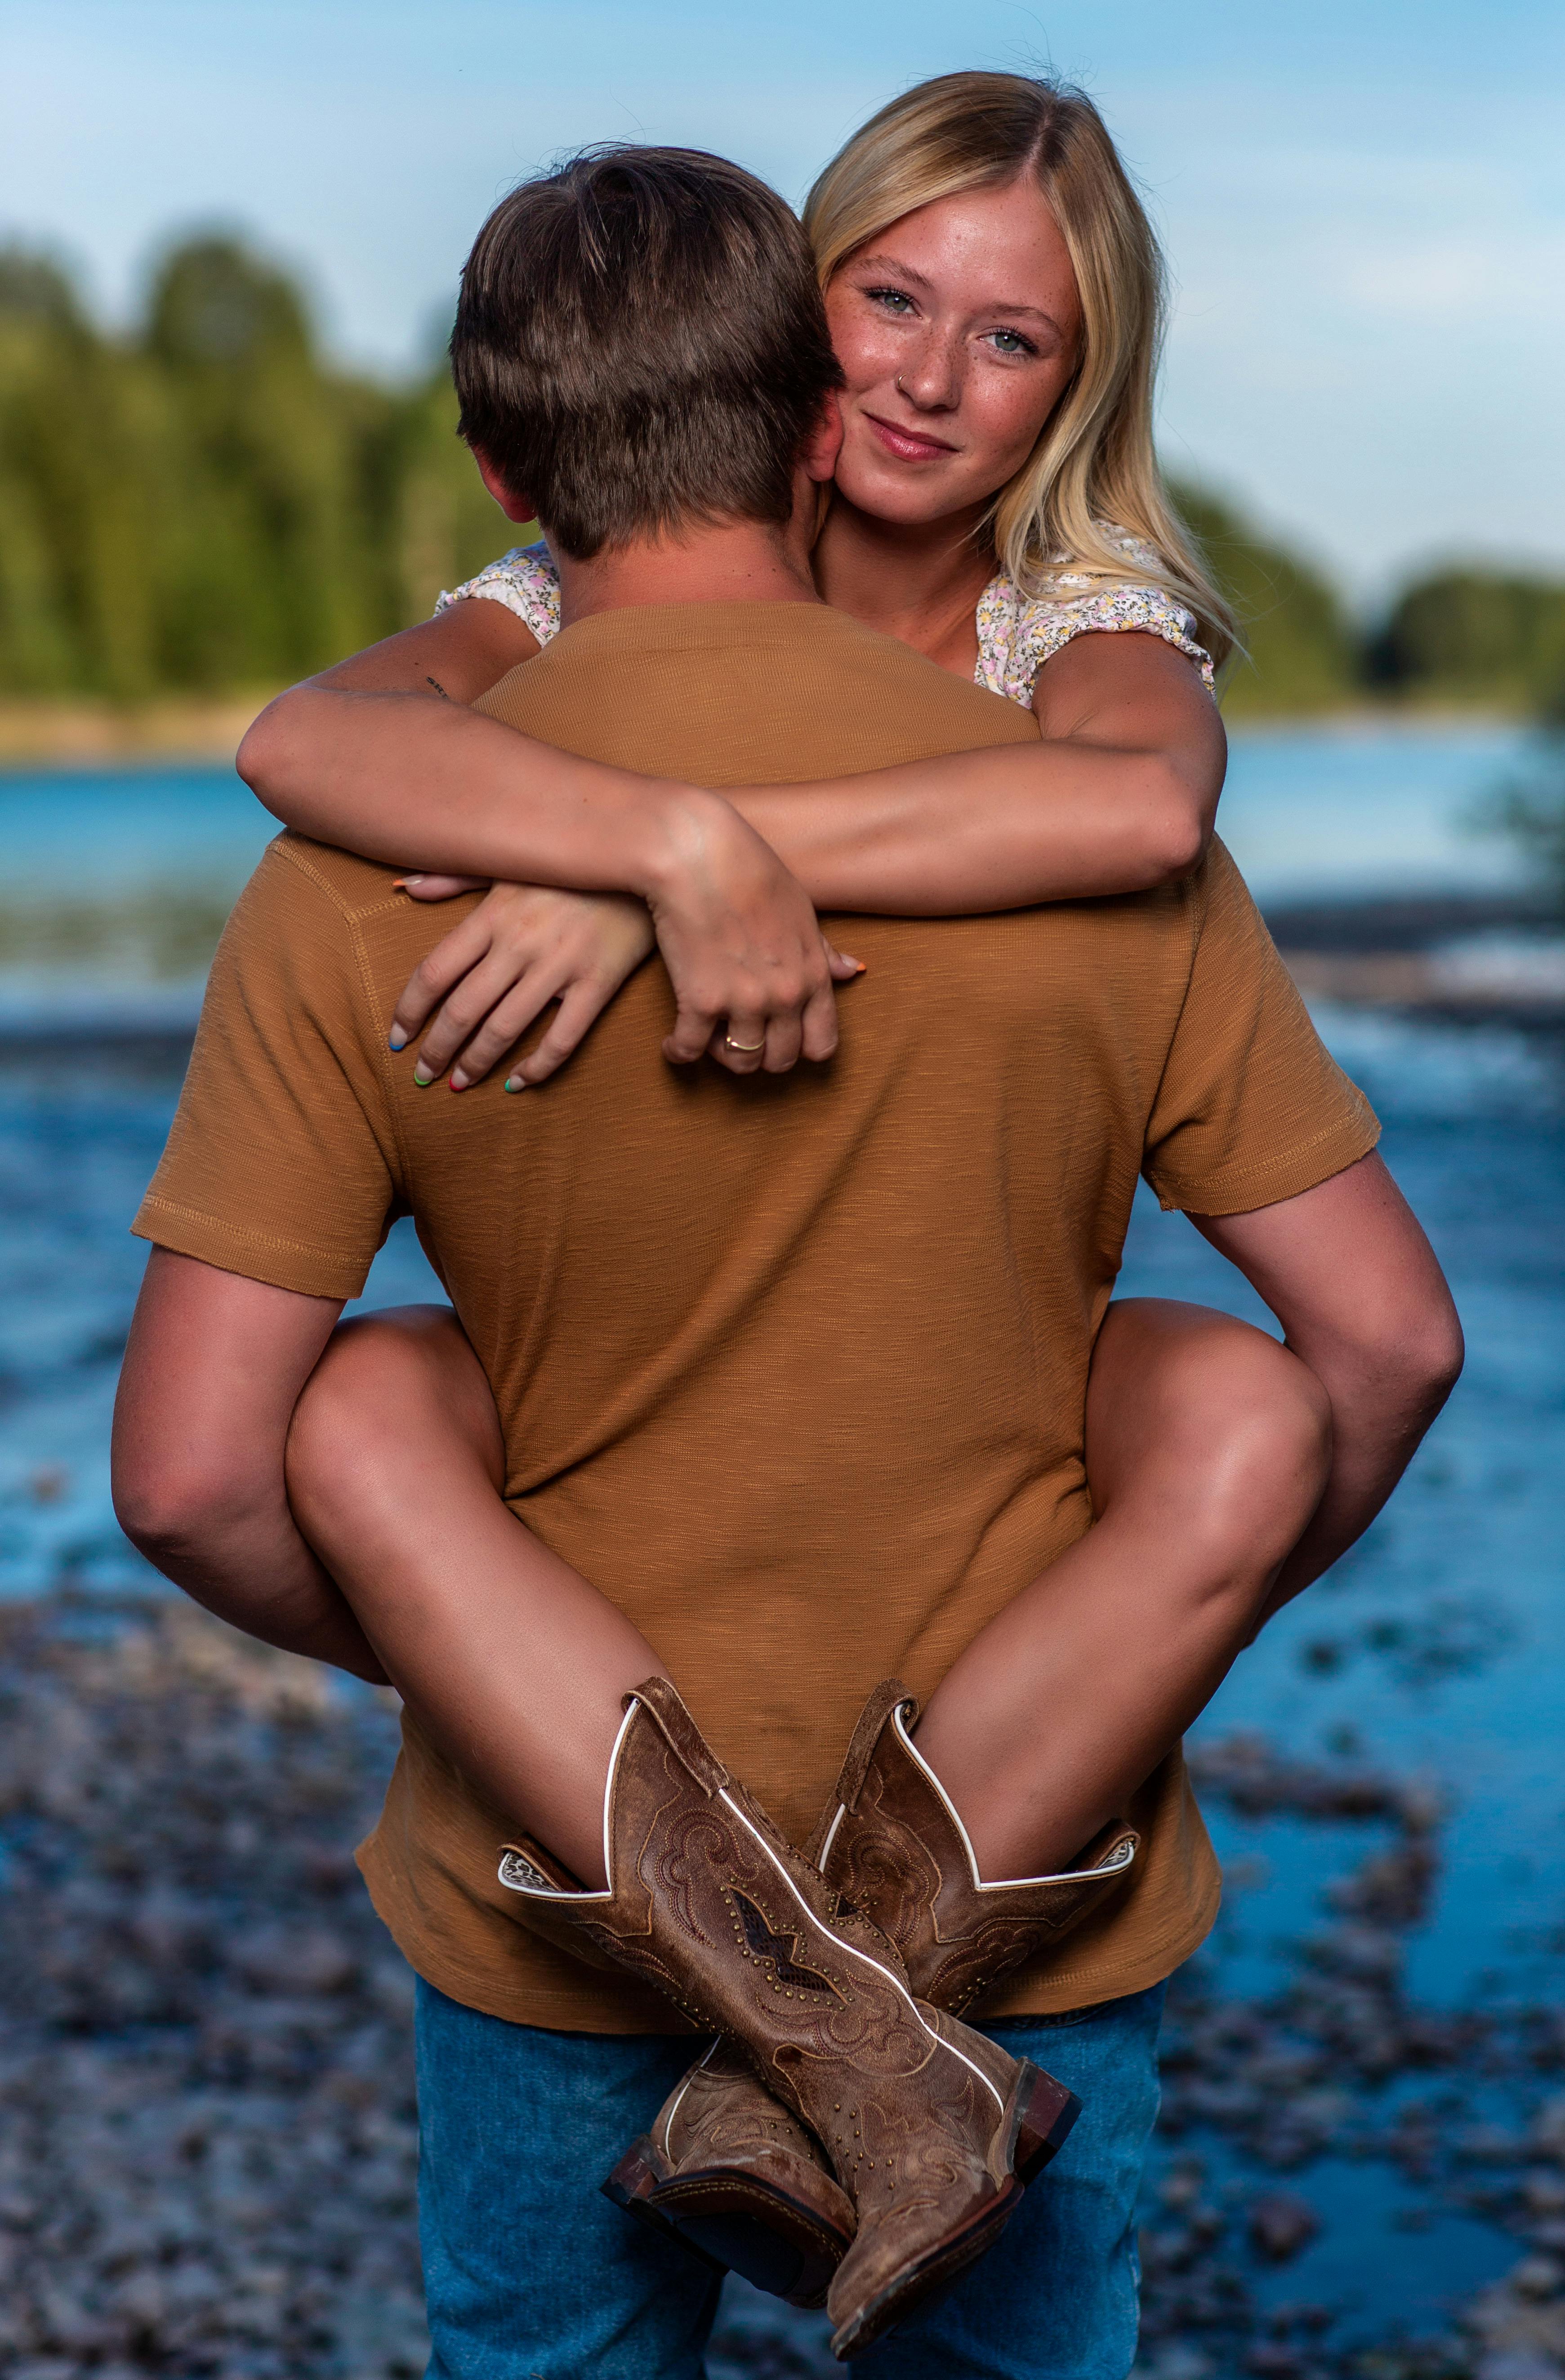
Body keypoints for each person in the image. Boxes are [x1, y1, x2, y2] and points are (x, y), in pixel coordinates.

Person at [112, 142, 1462, 2380]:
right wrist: (1151, 1639)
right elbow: (1394, 1341)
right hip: (1027, 1913)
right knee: (1240, 1391)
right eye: (895, 313)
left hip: (562, 1893)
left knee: (358, 1399)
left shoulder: (382, 854)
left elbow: (175, 1481)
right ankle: (872, 2011)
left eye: (1008, 337)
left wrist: (663, 850)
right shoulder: (1086, 853)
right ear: (803, 383)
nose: (935, 383)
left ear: (497, 450)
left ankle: (794, 2020)